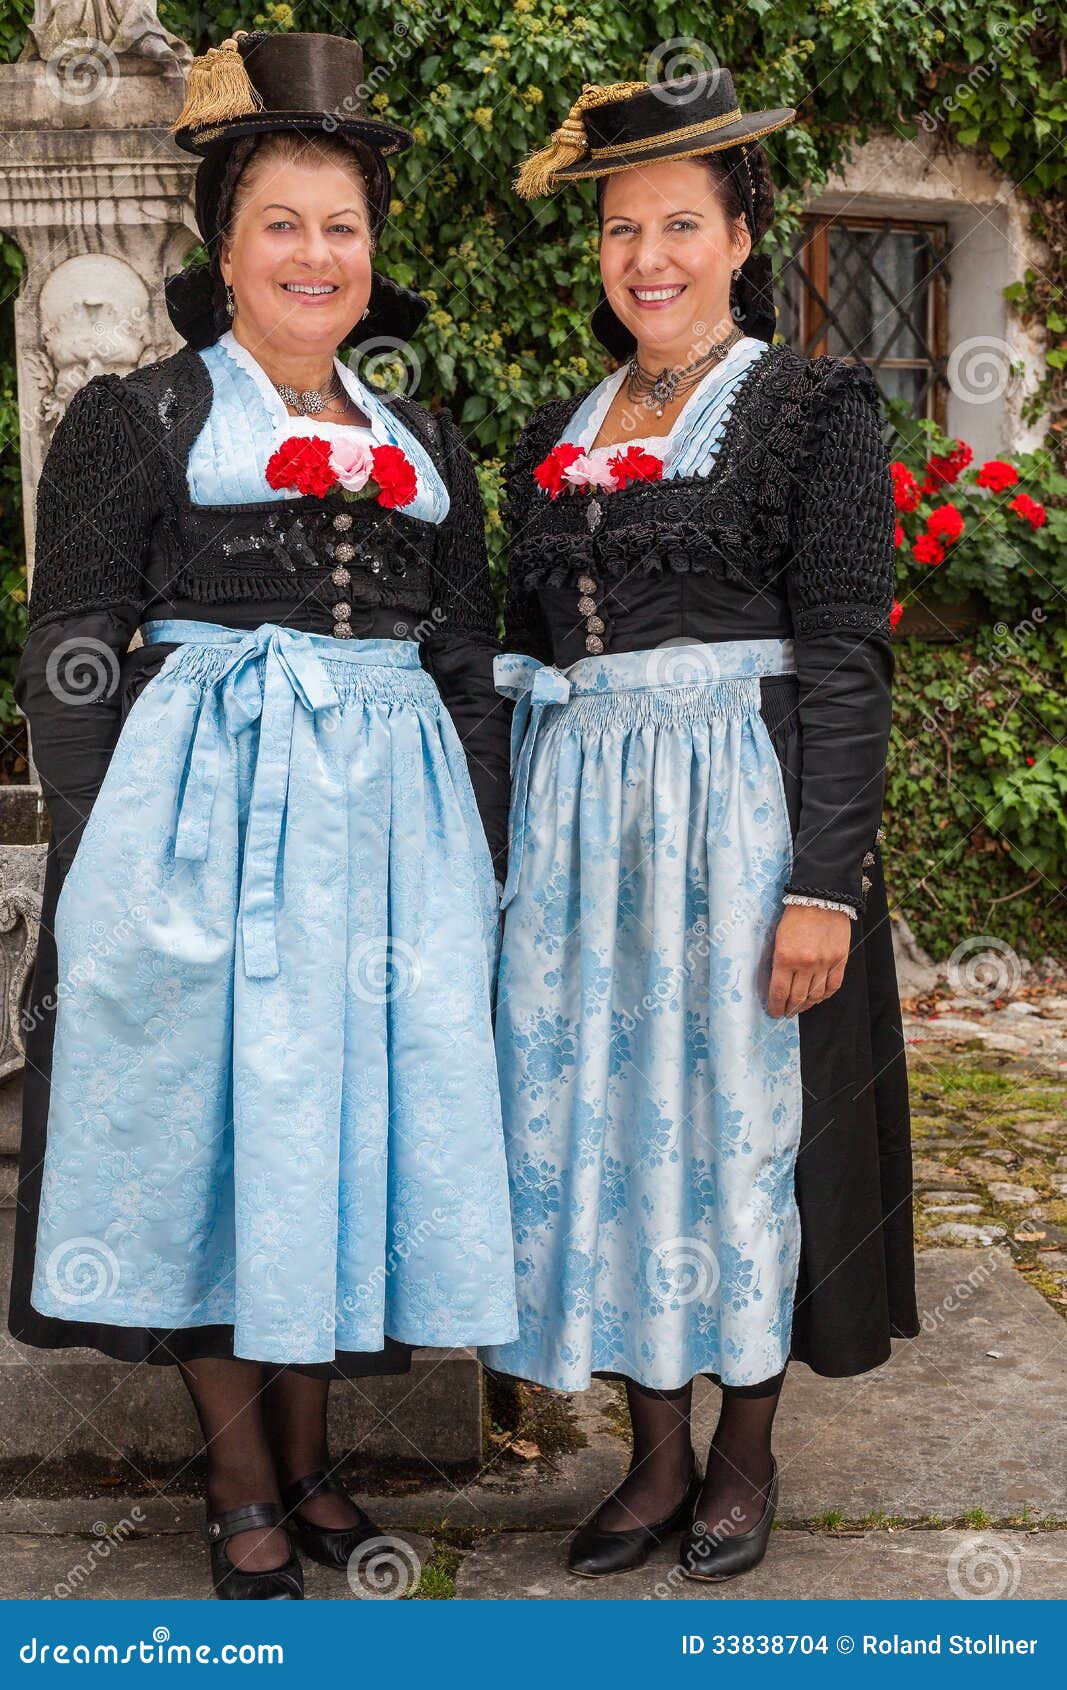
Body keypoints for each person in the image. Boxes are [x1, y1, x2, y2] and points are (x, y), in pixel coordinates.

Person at [9, 28, 517, 1599]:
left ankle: (312, 1467)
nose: (316, 252)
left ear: (374, 258)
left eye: (342, 226)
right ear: (223, 251)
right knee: (214, 1143)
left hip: (386, 862)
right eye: (282, 223)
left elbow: (469, 665)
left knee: (328, 1143)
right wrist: (106, 875)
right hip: (198, 841)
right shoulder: (134, 423)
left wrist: (478, 865)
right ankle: (242, 1477)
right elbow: (72, 656)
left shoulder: (426, 445)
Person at [479, 69, 919, 1583]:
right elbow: (517, 645)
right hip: (582, 844)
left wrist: (826, 887)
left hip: (740, 833)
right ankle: (649, 1451)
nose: (646, 256)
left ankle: (743, 1449)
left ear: (741, 237)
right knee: (605, 1125)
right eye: (620, 230)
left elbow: (851, 658)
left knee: (740, 1134)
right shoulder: (560, 425)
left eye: (680, 223)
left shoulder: (811, 411)